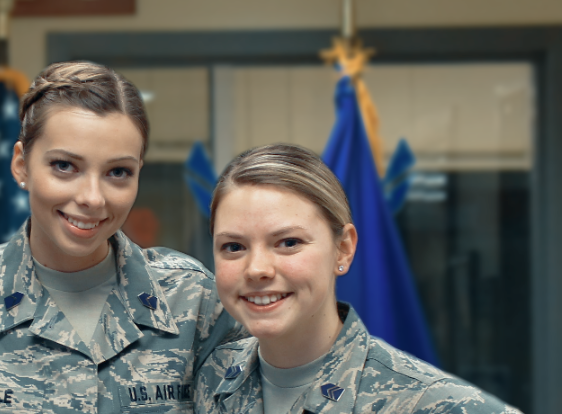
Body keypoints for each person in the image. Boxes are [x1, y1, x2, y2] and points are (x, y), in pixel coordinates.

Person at [0, 61, 246, 413]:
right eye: (65, 166)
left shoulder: (193, 299)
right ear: (21, 165)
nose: (92, 198)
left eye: (118, 172)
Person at [195, 143, 521, 414]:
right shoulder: (205, 382)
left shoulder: (437, 404)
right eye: (233, 246)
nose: (257, 269)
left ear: (343, 249)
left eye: (288, 243)